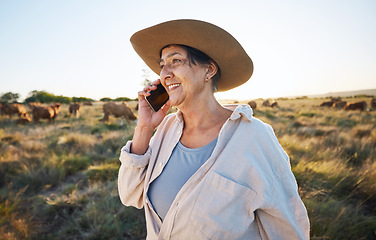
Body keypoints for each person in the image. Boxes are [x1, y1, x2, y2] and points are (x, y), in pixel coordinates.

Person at [118, 19, 310, 240]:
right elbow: (130, 195)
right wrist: (144, 126)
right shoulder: (165, 129)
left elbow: (288, 229)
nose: (164, 74)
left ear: (208, 71)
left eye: (176, 61)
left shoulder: (254, 137)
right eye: (162, 65)